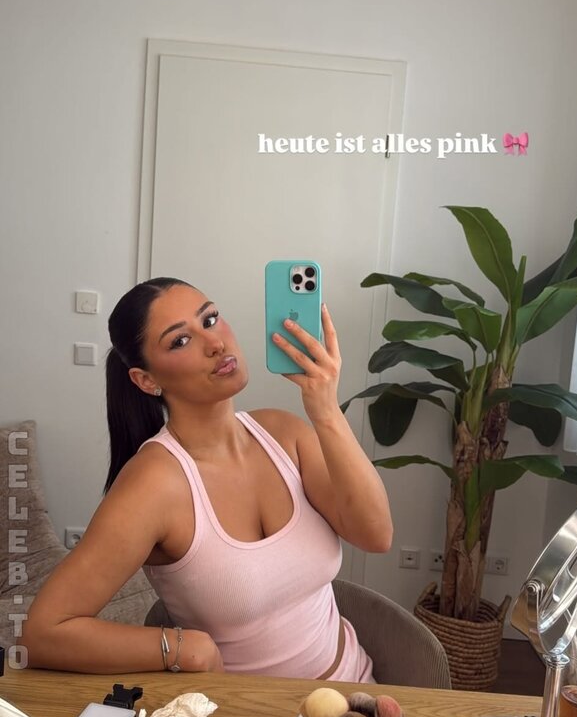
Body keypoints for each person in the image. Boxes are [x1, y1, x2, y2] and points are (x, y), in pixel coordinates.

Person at [23, 277, 393, 679]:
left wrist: (326, 411)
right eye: (180, 341)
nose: (215, 343)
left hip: (358, 692)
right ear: (146, 380)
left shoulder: (283, 433)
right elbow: (43, 633)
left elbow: (376, 535)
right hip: (251, 715)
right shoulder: (154, 485)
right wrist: (186, 649)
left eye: (210, 319)